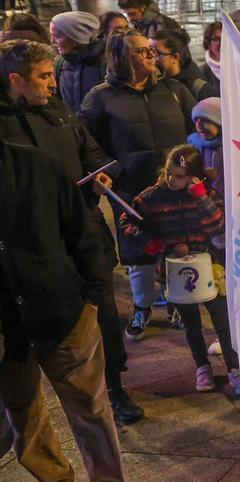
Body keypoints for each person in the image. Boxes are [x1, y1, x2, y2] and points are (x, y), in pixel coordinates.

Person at [0, 138, 158, 482]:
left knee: (90, 405)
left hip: (63, 310)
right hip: (6, 329)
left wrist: (91, 298)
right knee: (22, 412)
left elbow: (82, 234)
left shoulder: (38, 167)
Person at [0, 39, 143, 426]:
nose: (53, 84)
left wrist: (100, 171)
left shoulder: (57, 109)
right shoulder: (5, 125)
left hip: (83, 229)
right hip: (39, 245)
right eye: (44, 76)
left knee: (106, 314)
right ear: (16, 80)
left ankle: (114, 386)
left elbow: (89, 149)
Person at [79, 29, 195, 342]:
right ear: (120, 57)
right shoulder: (101, 97)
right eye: (141, 51)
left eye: (150, 50)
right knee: (139, 251)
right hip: (132, 190)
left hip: (176, 187)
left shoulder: (173, 90)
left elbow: (195, 130)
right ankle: (142, 306)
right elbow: (86, 143)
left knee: (177, 246)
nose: (150, 55)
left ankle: (177, 303)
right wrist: (114, 171)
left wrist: (192, 167)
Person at [119, 145, 239, 394]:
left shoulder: (205, 194)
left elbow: (218, 226)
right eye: (168, 173)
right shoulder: (152, 197)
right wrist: (150, 242)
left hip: (209, 267)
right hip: (175, 269)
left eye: (179, 176)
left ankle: (234, 368)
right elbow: (126, 220)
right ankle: (201, 366)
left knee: (222, 321)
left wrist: (201, 197)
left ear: (193, 176)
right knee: (191, 323)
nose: (171, 180)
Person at [49, 11, 105, 115]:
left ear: (75, 37)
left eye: (57, 36)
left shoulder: (104, 63)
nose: (52, 41)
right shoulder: (60, 63)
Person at [152, 29, 219, 101]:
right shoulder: (157, 79)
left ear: (175, 57)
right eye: (150, 51)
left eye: (157, 53)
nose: (151, 57)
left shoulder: (197, 87)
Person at [187, 97, 224, 206]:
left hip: (225, 203)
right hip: (200, 202)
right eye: (196, 120)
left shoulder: (231, 148)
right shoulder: (192, 146)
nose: (198, 126)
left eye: (205, 121)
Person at [116, 0, 183, 39]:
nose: (130, 18)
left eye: (133, 14)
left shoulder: (167, 25)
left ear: (143, 8)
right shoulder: (135, 26)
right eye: (127, 14)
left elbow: (184, 57)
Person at [200, 21, 221, 91]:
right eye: (217, 39)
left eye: (225, 39)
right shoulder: (201, 73)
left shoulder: (237, 69)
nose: (222, 43)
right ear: (208, 43)